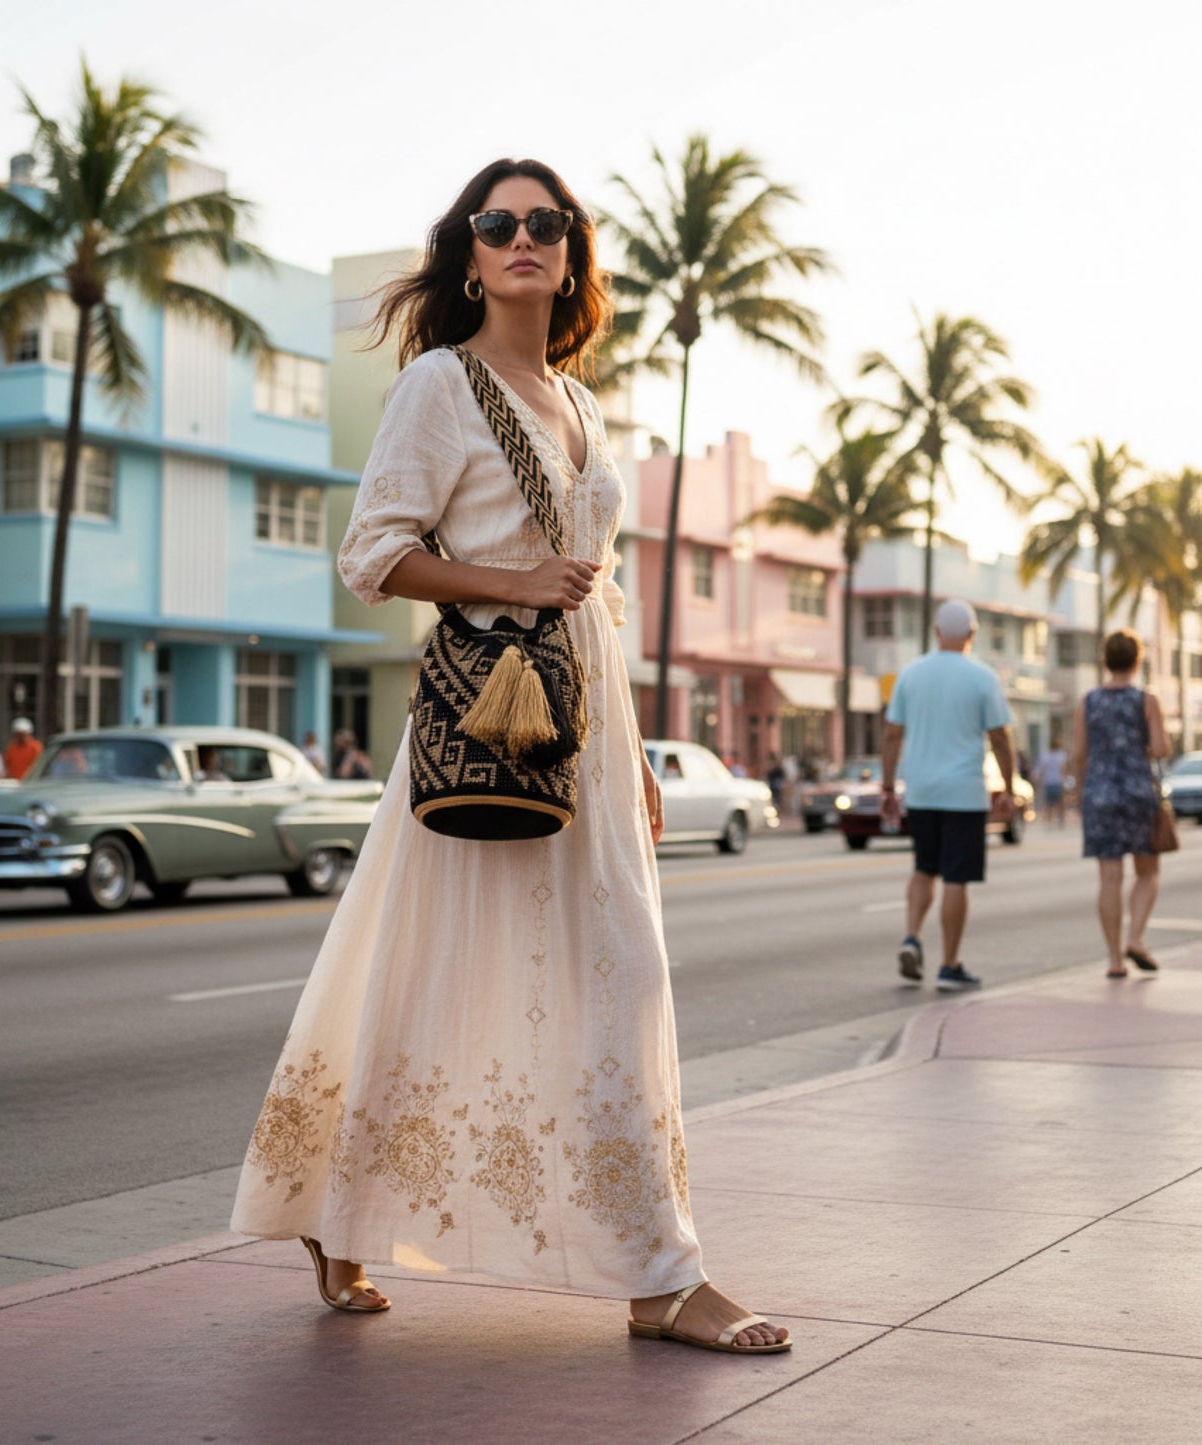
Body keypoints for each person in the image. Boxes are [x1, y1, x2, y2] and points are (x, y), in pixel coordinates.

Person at [231, 157, 789, 1356]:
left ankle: (651, 1270)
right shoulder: (440, 383)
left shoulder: (582, 406)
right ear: (470, 253)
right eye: (498, 223)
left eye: (544, 223)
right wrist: (507, 579)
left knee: (617, 978)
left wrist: (634, 747)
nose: (521, 238)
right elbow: (370, 553)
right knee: (420, 973)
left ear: (571, 252)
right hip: (483, 724)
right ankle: (351, 1213)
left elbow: (599, 602)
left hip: (583, 740)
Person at [881, 598, 1015, 992]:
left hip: (921, 790)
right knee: (956, 878)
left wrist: (888, 786)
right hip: (964, 793)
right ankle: (949, 964)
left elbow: (892, 734)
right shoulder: (983, 677)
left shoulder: (911, 674)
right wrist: (1008, 786)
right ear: (972, 634)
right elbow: (1000, 738)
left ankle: (911, 936)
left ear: (937, 632)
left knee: (924, 868)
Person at [1071, 629, 1170, 977]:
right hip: (1137, 791)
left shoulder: (1088, 701)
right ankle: (1135, 938)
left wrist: (1081, 793)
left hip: (1099, 794)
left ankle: (1114, 960)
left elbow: (1079, 753)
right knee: (1148, 872)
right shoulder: (1146, 700)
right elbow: (1160, 749)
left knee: (1109, 879)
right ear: (1137, 659)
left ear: (1105, 660)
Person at [1035, 731, 1070, 826]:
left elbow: (1040, 770)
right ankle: (1061, 821)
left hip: (1048, 782)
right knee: (1060, 802)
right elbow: (1064, 770)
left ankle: (1049, 821)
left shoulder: (1044, 756)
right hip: (1058, 781)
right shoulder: (1062, 755)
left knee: (1048, 803)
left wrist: (1038, 781)